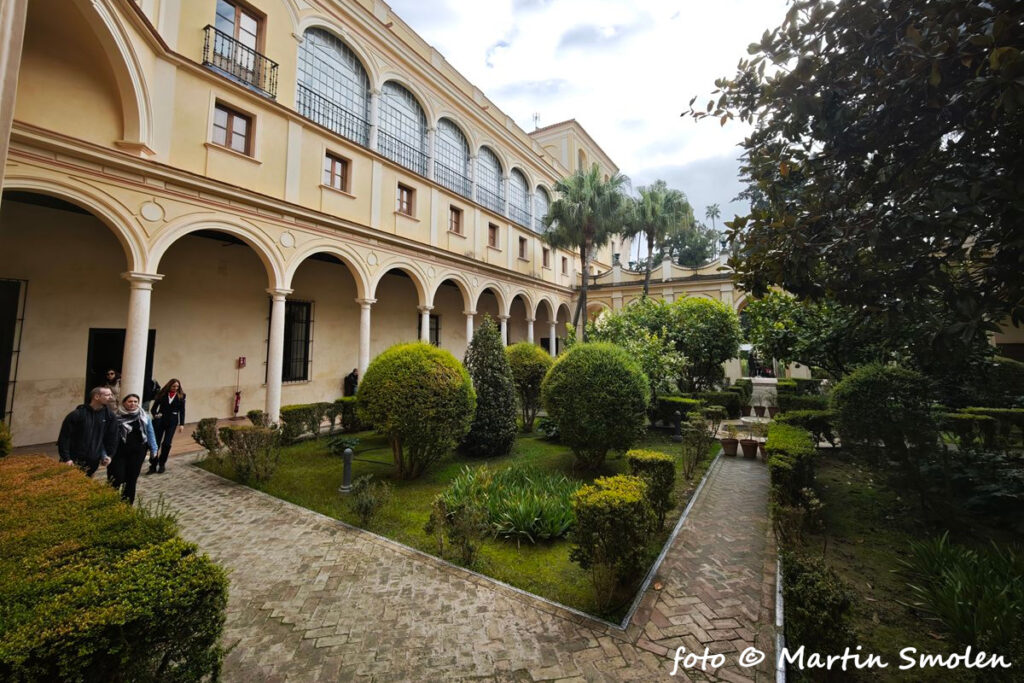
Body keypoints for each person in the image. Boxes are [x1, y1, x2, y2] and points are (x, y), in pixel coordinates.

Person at [57, 386, 118, 477]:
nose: (111, 397)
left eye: (111, 395)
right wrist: (66, 458)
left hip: (93, 460)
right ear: (96, 397)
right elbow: (64, 438)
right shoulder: (77, 414)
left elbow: (112, 437)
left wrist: (109, 455)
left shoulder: (110, 416)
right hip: (73, 460)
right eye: (107, 395)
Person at [109, 393, 158, 505]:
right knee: (117, 477)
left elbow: (150, 433)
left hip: (137, 452)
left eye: (135, 401)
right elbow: (108, 435)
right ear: (124, 403)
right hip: (119, 452)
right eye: (130, 401)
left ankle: (127, 503)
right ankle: (110, 501)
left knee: (131, 479)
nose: (133, 404)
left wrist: (154, 449)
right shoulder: (115, 417)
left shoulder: (144, 416)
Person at [148, 378, 186, 474]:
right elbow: (153, 409)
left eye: (177, 386)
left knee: (166, 443)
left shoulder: (181, 396)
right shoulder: (162, 394)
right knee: (156, 443)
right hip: (160, 421)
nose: (175, 388)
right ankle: (153, 464)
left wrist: (182, 424)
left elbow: (182, 411)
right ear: (169, 386)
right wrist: (156, 415)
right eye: (174, 386)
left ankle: (162, 463)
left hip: (172, 422)